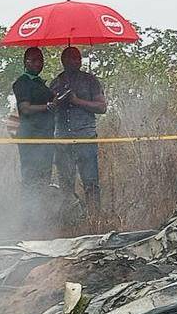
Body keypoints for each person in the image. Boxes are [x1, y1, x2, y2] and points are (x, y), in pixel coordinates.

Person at [49, 46, 107, 218]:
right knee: (66, 185)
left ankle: (95, 221)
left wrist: (76, 100)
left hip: (85, 138)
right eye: (71, 58)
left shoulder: (90, 81)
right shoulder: (55, 83)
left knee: (91, 182)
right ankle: (72, 220)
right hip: (62, 140)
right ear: (63, 61)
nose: (76, 61)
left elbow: (102, 107)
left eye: (78, 58)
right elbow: (49, 110)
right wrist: (55, 104)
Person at [10, 47, 58, 188]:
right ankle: (29, 202)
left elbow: (51, 100)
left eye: (41, 60)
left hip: (45, 136)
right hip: (31, 136)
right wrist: (47, 106)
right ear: (26, 62)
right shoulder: (22, 82)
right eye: (34, 60)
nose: (38, 63)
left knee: (44, 177)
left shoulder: (39, 83)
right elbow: (25, 108)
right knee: (31, 177)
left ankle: (41, 202)